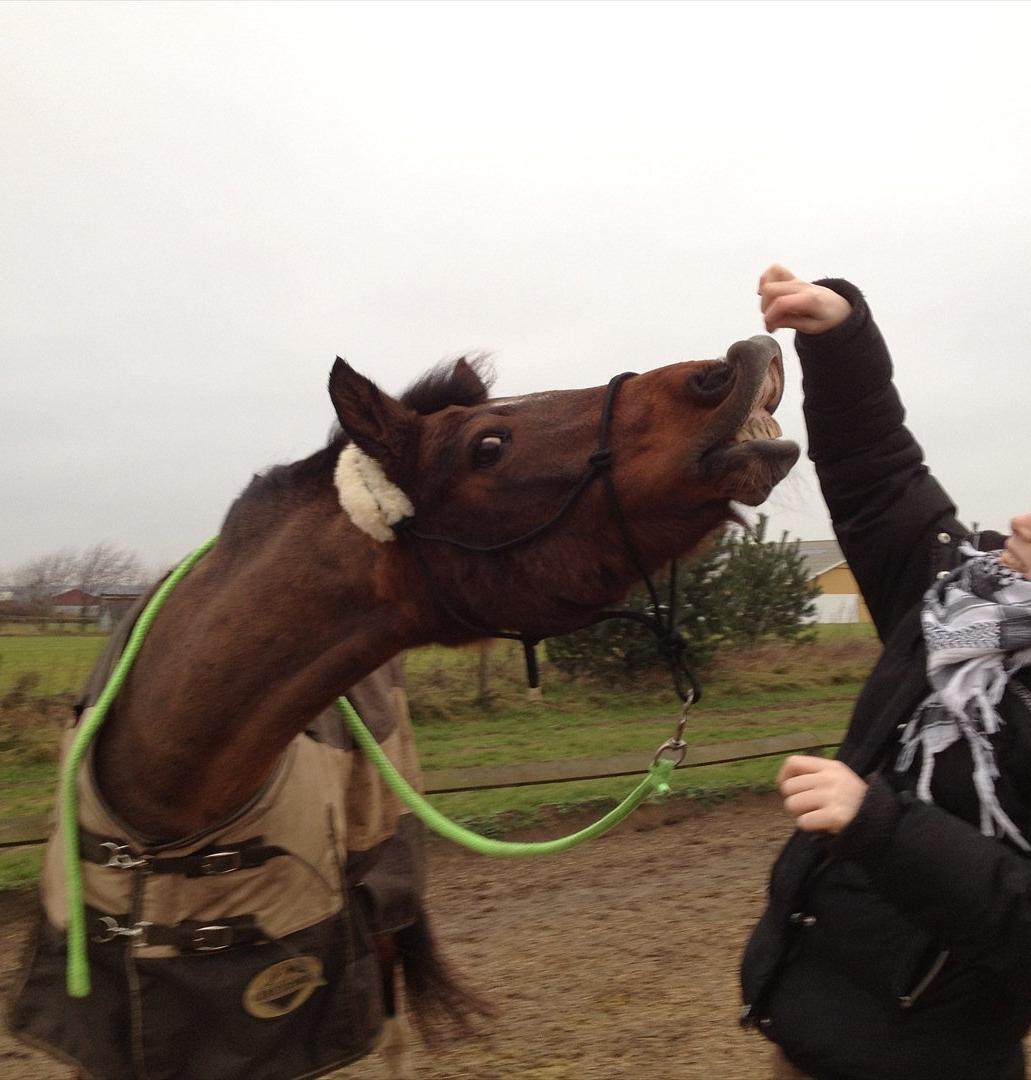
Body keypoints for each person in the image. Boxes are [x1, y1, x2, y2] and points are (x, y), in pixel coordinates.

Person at [739, 265, 1031, 1080]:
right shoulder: (960, 599)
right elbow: (879, 478)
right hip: (806, 1029)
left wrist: (877, 823)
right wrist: (840, 341)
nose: (1018, 518)